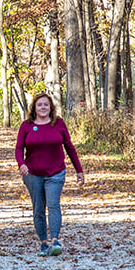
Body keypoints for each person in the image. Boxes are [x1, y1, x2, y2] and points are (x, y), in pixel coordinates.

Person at [15, 92, 85, 256]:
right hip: (33, 174)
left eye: (46, 104)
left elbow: (69, 147)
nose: (43, 107)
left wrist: (79, 170)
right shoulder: (26, 125)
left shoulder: (58, 123)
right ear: (34, 108)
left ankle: (54, 241)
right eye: (39, 105)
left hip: (56, 172)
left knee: (53, 204)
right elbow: (19, 149)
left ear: (51, 107)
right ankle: (43, 243)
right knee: (38, 208)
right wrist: (21, 164)